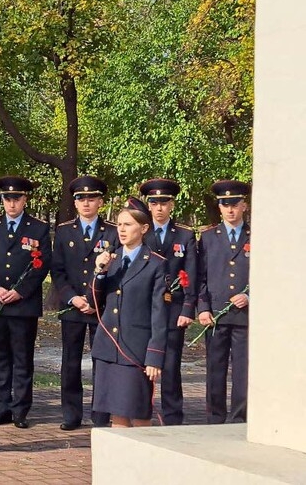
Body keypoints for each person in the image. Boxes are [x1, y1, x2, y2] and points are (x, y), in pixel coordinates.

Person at [0, 176, 51, 429]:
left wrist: (20, 291)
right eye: (7, 198)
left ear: (25, 199)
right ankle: (1, 407)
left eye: (16, 198)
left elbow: (42, 265)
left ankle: (21, 410)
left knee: (22, 358)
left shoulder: (38, 228)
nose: (12, 203)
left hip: (22, 305)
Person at [91, 197, 169, 428]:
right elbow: (93, 301)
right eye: (119, 224)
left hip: (135, 350)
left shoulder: (155, 263)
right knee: (117, 414)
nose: (121, 230)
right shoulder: (111, 260)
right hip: (109, 347)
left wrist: (154, 356)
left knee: (138, 413)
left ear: (144, 228)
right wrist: (99, 271)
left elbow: (159, 314)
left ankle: (143, 463)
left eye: (128, 224)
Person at [50, 175, 118, 431]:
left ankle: (101, 412)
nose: (86, 203)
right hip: (73, 306)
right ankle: (71, 413)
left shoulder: (112, 231)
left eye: (91, 198)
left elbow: (116, 269)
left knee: (101, 359)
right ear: (75, 203)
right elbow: (57, 270)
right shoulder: (65, 230)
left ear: (100, 201)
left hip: (100, 307)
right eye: (81, 199)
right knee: (70, 361)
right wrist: (72, 297)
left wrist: (94, 299)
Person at [140, 178, 197, 426]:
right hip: (144, 308)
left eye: (164, 202)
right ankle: (141, 410)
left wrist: (187, 308)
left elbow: (192, 273)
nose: (159, 208)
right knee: (143, 362)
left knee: (171, 365)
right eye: (154, 202)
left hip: (174, 308)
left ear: (172, 204)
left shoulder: (184, 234)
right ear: (148, 205)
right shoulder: (141, 231)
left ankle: (173, 416)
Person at [197, 180, 251, 424]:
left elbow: (269, 274)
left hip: (245, 315)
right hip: (216, 314)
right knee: (215, 369)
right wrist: (203, 308)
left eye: (235, 204)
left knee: (242, 370)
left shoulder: (256, 236)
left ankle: (239, 417)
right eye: (225, 205)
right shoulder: (208, 237)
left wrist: (251, 296)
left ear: (244, 206)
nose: (230, 210)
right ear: (219, 207)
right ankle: (215, 418)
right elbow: (200, 276)